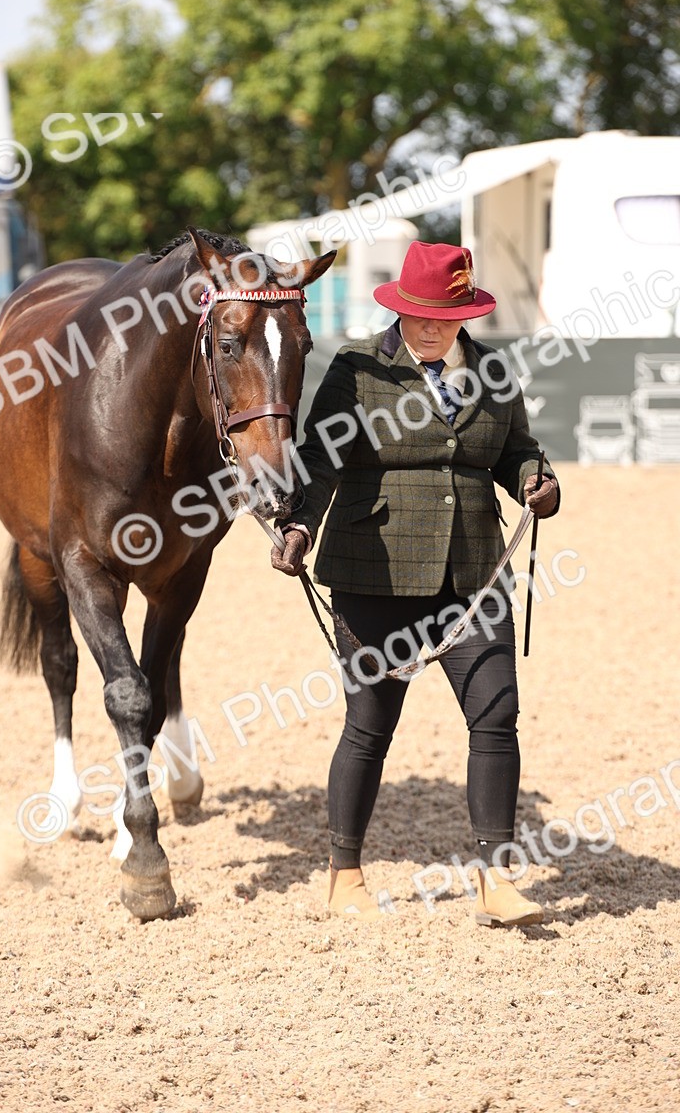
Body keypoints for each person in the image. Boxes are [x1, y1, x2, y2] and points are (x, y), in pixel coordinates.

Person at [270, 240, 559, 926]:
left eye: (447, 316)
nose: (432, 327)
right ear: (400, 307)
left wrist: (533, 484)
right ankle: (344, 874)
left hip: (474, 570)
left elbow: (515, 450)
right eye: (420, 314)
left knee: (496, 715)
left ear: (466, 313)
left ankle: (496, 878)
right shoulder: (359, 370)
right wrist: (299, 526)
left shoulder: (492, 371)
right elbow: (319, 459)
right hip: (377, 570)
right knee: (371, 724)